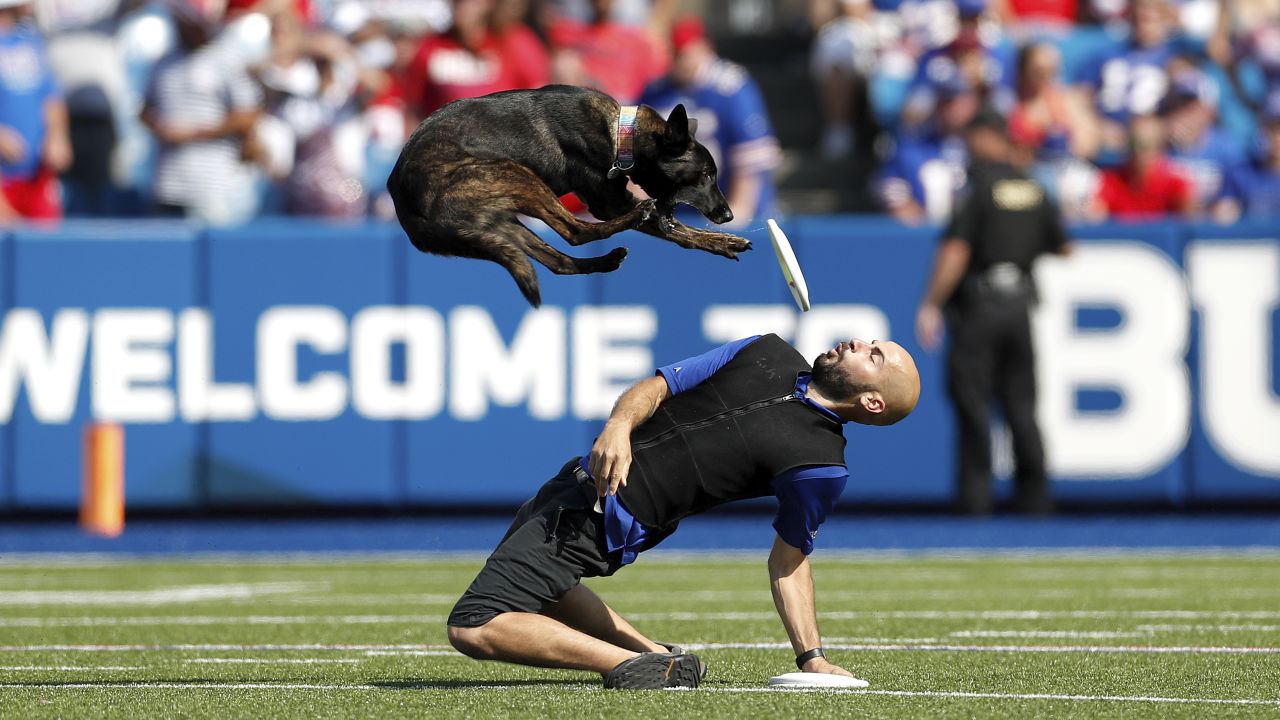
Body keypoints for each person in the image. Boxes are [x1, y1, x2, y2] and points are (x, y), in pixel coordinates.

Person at [446, 333, 921, 688]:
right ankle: (656, 656)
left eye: (873, 355)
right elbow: (657, 387)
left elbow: (789, 560)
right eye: (870, 342)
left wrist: (811, 657)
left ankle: (627, 666)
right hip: (570, 483)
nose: (859, 342)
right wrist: (618, 425)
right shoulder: (766, 348)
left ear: (873, 402)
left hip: (600, 516)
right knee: (544, 591)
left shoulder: (821, 467)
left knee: (474, 625)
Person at [915, 108, 1071, 516]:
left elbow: (956, 250)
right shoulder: (1035, 188)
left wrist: (931, 303)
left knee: (973, 401)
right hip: (1020, 304)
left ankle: (976, 499)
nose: (968, 145)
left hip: (981, 306)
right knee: (1021, 403)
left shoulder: (978, 188)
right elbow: (1064, 246)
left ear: (989, 137)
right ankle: (1035, 499)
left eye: (972, 137)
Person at [638, 16, 781, 226]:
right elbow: (634, 154)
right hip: (677, 212)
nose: (680, 61)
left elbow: (751, 160)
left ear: (704, 48)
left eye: (685, 53)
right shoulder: (656, 91)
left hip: (731, 207)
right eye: (675, 54)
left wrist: (737, 212)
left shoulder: (731, 87)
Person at [140, 1, 264, 223]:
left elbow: (248, 115)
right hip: (167, 185)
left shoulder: (226, 59)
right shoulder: (163, 63)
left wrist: (194, 133)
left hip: (212, 186)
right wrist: (160, 126)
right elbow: (145, 110)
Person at [0, 0, 71, 224]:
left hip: (37, 174)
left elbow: (51, 96)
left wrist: (57, 136)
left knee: (44, 249)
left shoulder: (31, 42)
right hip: (4, 178)